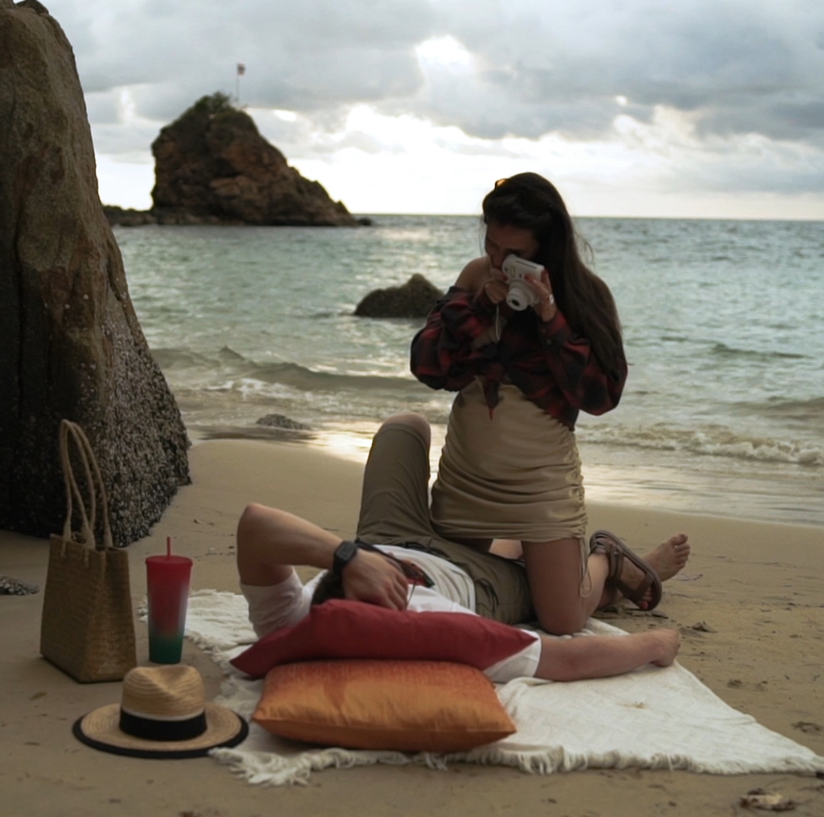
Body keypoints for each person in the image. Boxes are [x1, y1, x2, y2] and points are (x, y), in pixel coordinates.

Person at [236, 413, 690, 684]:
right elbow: (567, 659)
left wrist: (350, 557)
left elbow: (256, 524)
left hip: (387, 536)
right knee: (559, 601)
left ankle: (514, 541)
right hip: (478, 583)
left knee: (404, 427)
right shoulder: (436, 628)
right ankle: (609, 562)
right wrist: (657, 644)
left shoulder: (293, 623)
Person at [410, 173, 649, 636]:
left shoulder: (584, 295)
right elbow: (427, 367)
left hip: (540, 484)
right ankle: (533, 560)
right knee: (448, 599)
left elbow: (601, 396)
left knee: (562, 620)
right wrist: (480, 307)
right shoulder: (477, 276)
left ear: (546, 247)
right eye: (492, 246)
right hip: (467, 477)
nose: (499, 261)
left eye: (514, 253)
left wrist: (550, 318)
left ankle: (606, 559)